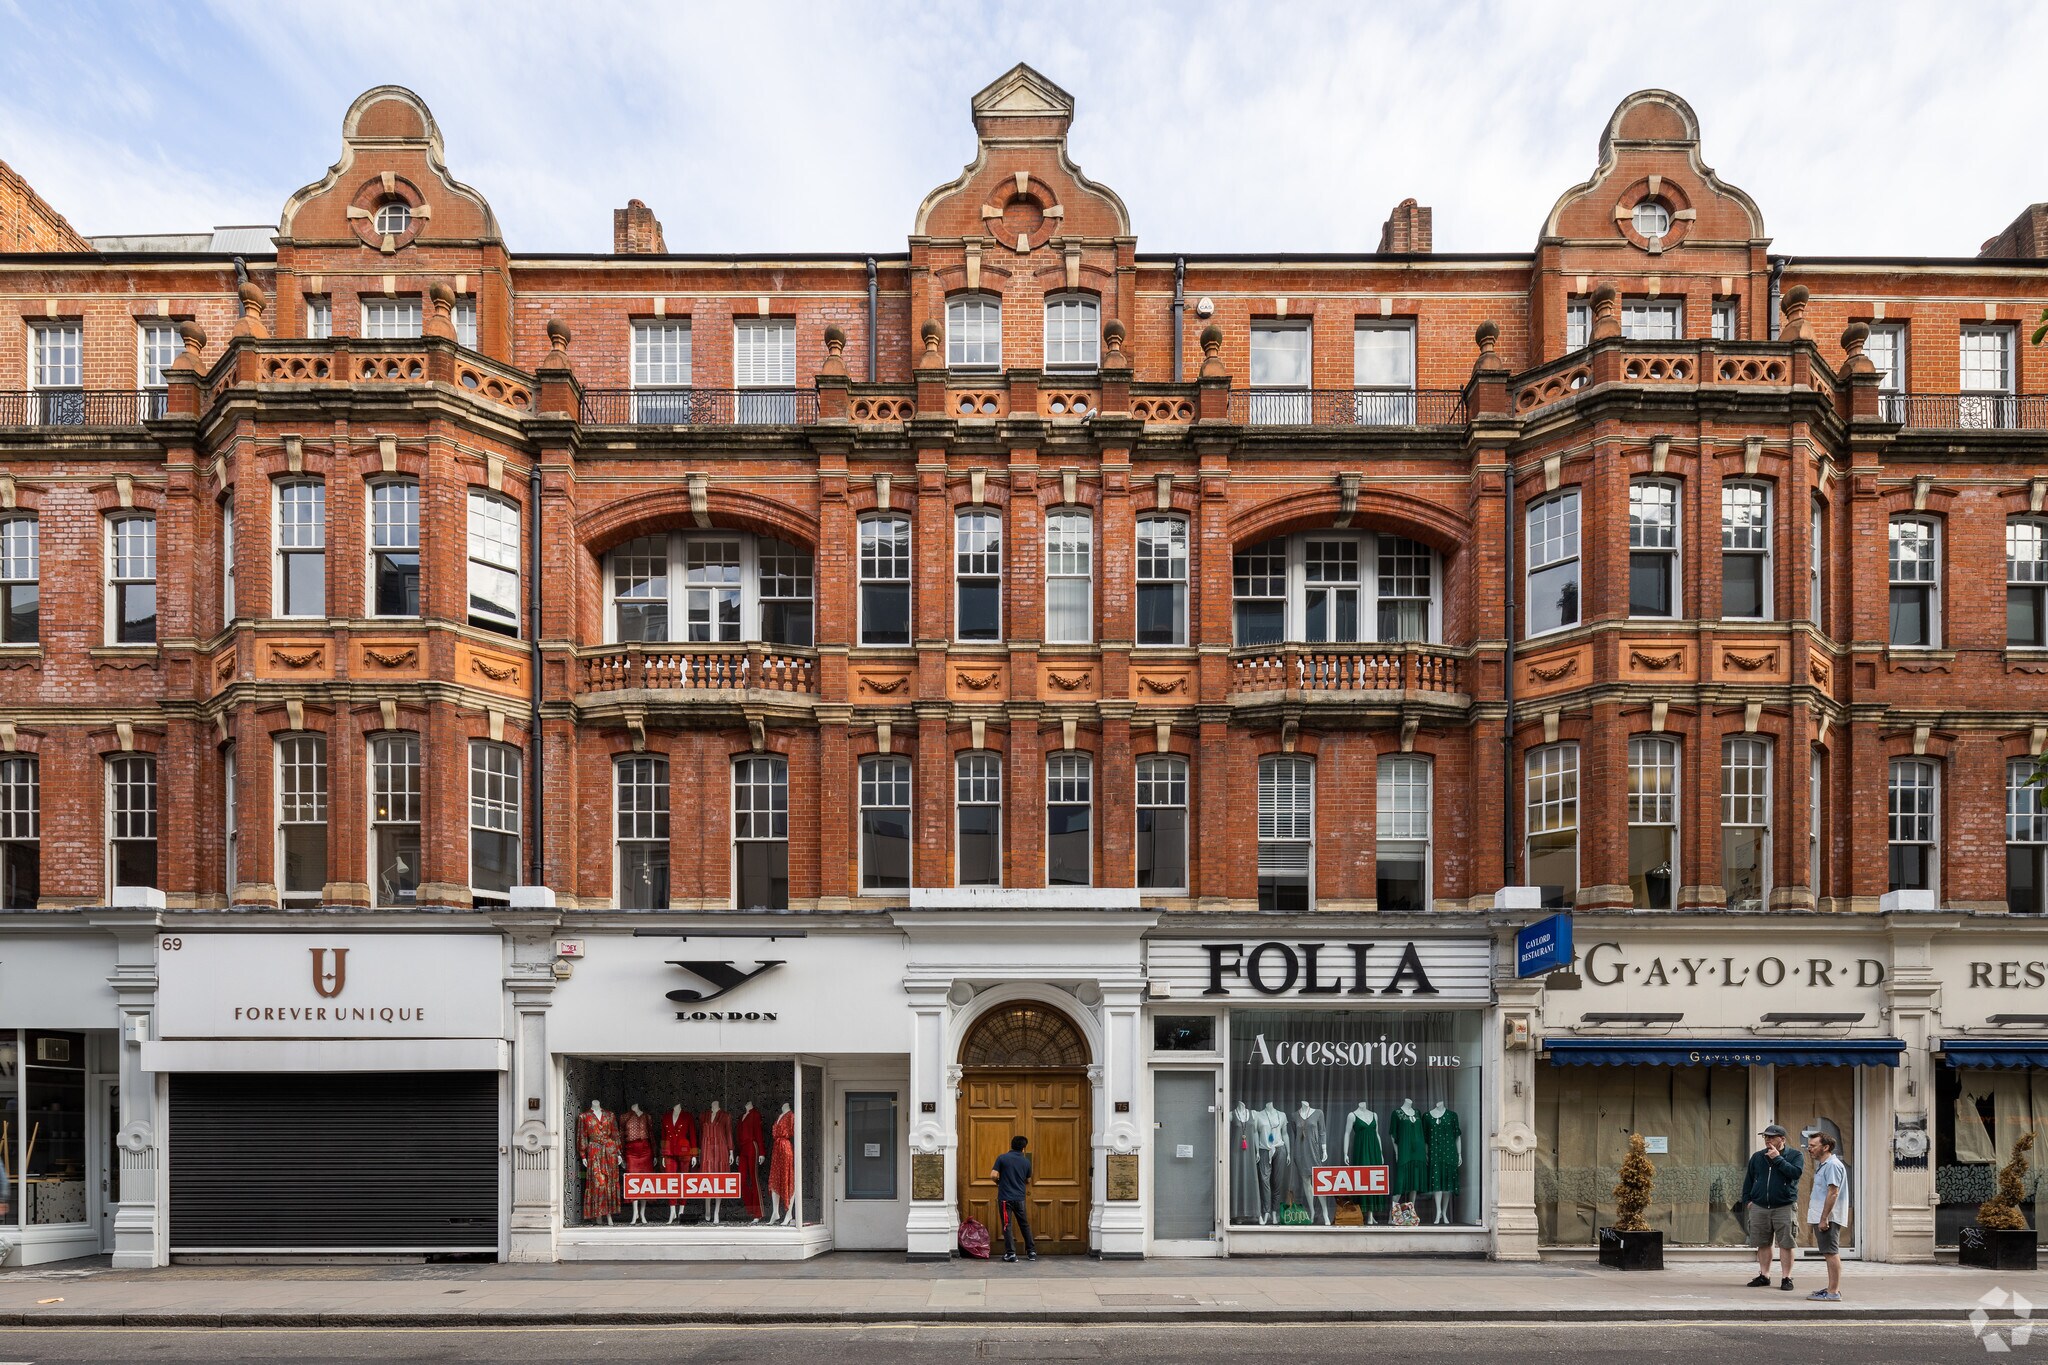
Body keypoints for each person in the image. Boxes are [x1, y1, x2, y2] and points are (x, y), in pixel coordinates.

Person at [1736, 1122, 1805, 1291]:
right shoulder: (1758, 1157)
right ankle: (1764, 1275)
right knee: (1763, 1242)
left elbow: (1795, 1173)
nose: (1768, 1140)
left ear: (1782, 1139)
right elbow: (1749, 1180)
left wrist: (1777, 1159)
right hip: (1759, 1205)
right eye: (1766, 1137)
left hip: (1784, 1205)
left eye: (1771, 1137)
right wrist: (1748, 1200)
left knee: (1786, 1243)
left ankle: (1786, 1277)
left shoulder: (1795, 1155)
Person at [1805, 1130, 1849, 1301]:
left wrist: (1824, 1218)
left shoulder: (1832, 1165)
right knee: (1828, 1252)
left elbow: (1833, 1193)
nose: (1809, 1149)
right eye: (1809, 1146)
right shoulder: (1825, 1165)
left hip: (1828, 1217)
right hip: (1822, 1215)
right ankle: (1832, 1288)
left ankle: (1833, 1292)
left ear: (1826, 1147)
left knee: (1831, 1252)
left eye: (1813, 1146)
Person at [992, 1134, 1036, 1262]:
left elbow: (993, 1175)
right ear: (1023, 1148)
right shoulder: (1026, 1161)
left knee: (1007, 1225)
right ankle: (1031, 1252)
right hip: (1020, 1198)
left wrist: (999, 1182)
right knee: (1024, 1224)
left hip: (1005, 1199)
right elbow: (1028, 1180)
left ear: (1011, 1145)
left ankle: (1011, 1253)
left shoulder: (1002, 1158)